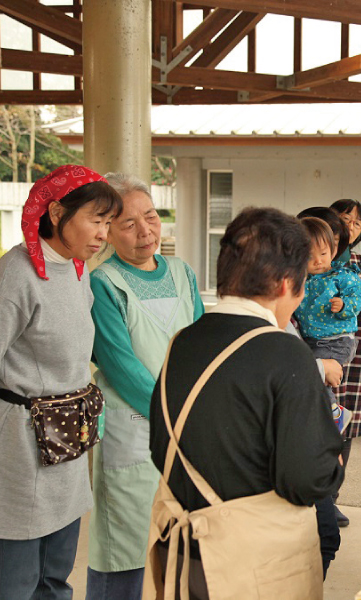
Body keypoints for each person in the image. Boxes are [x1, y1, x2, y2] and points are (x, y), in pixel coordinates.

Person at [144, 207, 343, 599]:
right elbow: (304, 478)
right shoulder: (285, 352)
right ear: (288, 283)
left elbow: (159, 443)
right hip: (248, 564)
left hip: (181, 556)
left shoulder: (183, 340)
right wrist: (330, 464)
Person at [0, 165, 122, 599]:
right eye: (95, 220)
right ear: (55, 212)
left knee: (56, 575)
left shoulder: (77, 269)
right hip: (21, 442)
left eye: (108, 223)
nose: (103, 234)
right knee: (15, 580)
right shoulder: (16, 273)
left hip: (69, 435)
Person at [86, 173, 204, 599]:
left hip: (182, 422)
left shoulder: (182, 272)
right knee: (124, 543)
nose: (145, 231)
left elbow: (198, 342)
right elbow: (120, 366)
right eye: (128, 224)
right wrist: (172, 412)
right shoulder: (103, 283)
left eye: (150, 217)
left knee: (180, 539)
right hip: (135, 426)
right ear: (106, 232)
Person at [295, 216, 361, 431]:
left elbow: (358, 298)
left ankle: (334, 413)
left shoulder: (341, 275)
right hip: (311, 340)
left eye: (323, 254)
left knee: (314, 374)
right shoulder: (300, 279)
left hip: (336, 340)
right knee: (310, 377)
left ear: (333, 252)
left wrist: (344, 305)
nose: (318, 261)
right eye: (310, 256)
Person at [329, 198, 361, 528]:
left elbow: (357, 302)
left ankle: (333, 498)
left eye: (356, 223)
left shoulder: (360, 262)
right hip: (317, 346)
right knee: (321, 418)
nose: (350, 227)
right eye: (345, 219)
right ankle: (318, 495)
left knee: (346, 425)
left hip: (351, 349)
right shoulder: (315, 255)